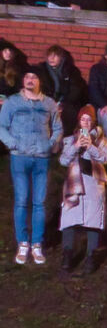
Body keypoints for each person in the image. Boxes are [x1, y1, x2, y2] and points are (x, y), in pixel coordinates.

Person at [0, 69, 62, 265]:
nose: (29, 80)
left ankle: (37, 243)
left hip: (41, 158)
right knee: (21, 200)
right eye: (26, 76)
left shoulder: (49, 104)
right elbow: (1, 126)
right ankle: (23, 243)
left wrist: (50, 144)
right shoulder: (12, 102)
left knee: (39, 202)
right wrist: (12, 143)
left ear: (39, 81)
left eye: (34, 77)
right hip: (20, 157)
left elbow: (58, 128)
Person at [57, 105, 107, 274]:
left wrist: (91, 147)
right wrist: (76, 145)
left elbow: (106, 158)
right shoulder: (69, 139)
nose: (86, 122)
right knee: (69, 218)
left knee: (93, 221)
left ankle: (91, 257)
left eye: (89, 119)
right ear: (79, 122)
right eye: (83, 119)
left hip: (93, 184)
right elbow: (64, 160)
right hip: (74, 184)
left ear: (93, 122)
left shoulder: (101, 139)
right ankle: (67, 255)